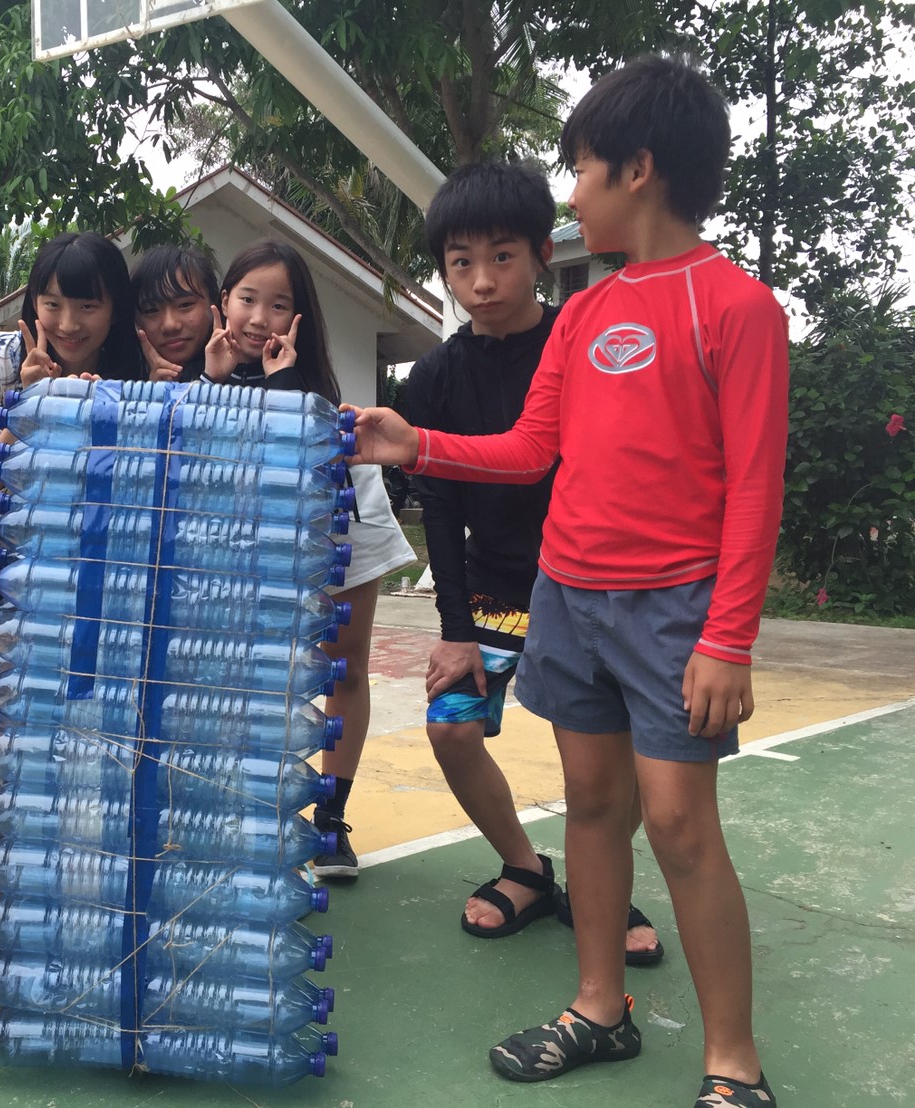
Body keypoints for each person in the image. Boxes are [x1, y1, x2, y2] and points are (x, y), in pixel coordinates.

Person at [347, 55, 787, 1108]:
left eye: (582, 170)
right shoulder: (584, 317)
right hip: (568, 600)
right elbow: (530, 448)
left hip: (673, 611)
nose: (573, 193)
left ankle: (733, 1063)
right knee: (590, 807)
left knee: (678, 825)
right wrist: (415, 443)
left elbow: (755, 489)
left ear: (638, 169)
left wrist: (727, 638)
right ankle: (598, 1009)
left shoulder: (737, 307)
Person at [403, 161, 662, 964]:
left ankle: (598, 879)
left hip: (593, 583)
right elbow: (438, 505)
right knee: (451, 728)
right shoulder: (436, 375)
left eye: (502, 256)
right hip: (495, 591)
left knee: (618, 758)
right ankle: (525, 867)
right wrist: (454, 628)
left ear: (543, 253)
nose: (481, 281)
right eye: (461, 262)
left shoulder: (584, 343)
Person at [205, 239, 416, 880]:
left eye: (279, 305)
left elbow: (298, 451)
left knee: (344, 667)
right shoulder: (203, 376)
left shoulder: (312, 389)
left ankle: (330, 816)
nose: (259, 318)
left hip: (342, 519)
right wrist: (212, 380)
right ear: (224, 302)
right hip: (255, 542)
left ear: (301, 318)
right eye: (248, 299)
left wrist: (283, 381)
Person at [0, 230, 143, 532]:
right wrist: (31, 408)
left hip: (47, 529)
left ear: (115, 309)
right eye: (53, 304)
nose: (68, 324)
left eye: (87, 306)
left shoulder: (134, 375)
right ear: (34, 302)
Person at [131, 243, 221, 381]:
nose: (170, 325)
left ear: (213, 302)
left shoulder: (248, 375)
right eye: (151, 310)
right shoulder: (120, 386)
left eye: (185, 305)